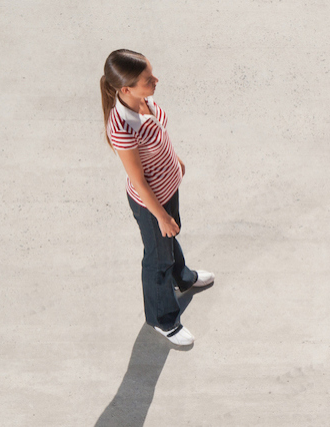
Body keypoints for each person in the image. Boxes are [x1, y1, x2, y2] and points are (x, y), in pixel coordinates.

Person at [101, 49, 213, 346]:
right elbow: (137, 180)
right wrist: (161, 215)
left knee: (170, 239)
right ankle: (162, 319)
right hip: (151, 202)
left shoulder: (144, 100)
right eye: (148, 79)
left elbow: (159, 134)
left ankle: (184, 278)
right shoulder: (122, 127)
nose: (156, 80)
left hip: (168, 187)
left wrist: (175, 160)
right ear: (126, 88)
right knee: (157, 258)